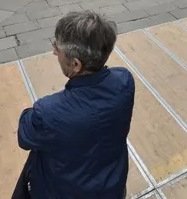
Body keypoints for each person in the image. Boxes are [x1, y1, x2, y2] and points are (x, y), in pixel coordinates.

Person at [15, 12, 134, 199]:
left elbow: (24, 136)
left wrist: (33, 112)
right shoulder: (125, 80)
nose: (54, 52)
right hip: (112, 188)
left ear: (76, 64)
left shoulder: (49, 112)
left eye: (57, 48)